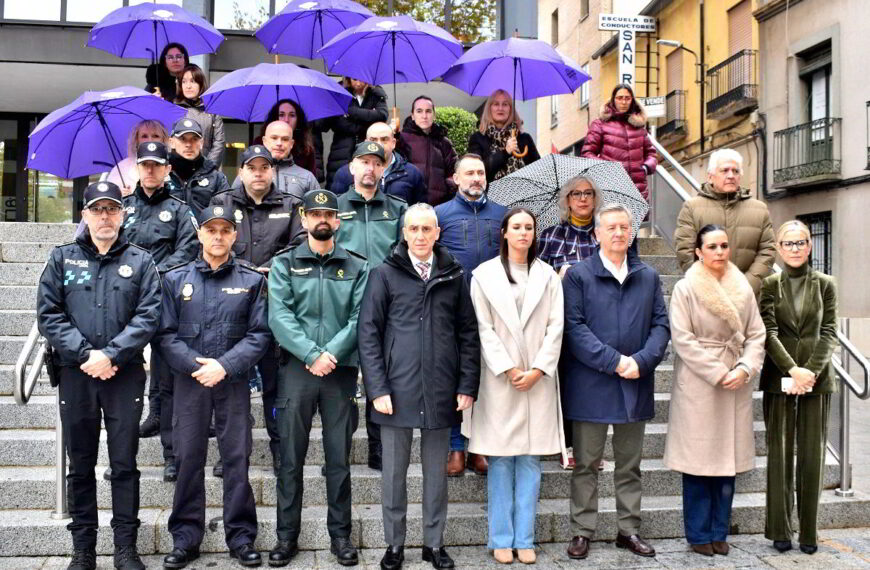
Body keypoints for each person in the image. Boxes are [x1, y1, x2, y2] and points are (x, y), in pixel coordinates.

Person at [37, 181, 161, 570]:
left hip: (124, 373)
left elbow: (149, 315)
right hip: (76, 374)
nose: (105, 216)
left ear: (123, 215)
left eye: (112, 209)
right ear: (85, 215)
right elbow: (49, 314)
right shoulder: (62, 259)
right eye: (97, 209)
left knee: (124, 462)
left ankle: (125, 548)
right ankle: (83, 549)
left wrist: (111, 354)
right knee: (80, 463)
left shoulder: (141, 261)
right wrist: (85, 354)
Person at [358, 203, 480, 570]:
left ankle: (434, 544)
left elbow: (468, 334)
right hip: (396, 390)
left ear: (438, 233)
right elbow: (369, 334)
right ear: (404, 233)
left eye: (427, 229)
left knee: (436, 477)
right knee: (394, 475)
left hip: (442, 388)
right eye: (414, 229)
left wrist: (467, 384)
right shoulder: (384, 275)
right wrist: (377, 388)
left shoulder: (454, 275)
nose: (421, 235)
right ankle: (394, 544)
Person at [158, 206, 270, 570]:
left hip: (233, 381)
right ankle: (185, 538)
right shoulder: (175, 279)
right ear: (200, 234)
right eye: (211, 230)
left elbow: (260, 334)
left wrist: (224, 365)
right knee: (188, 458)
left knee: (236, 459)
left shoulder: (252, 280)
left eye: (225, 230)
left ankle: (241, 537)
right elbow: (164, 334)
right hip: (190, 383)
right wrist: (197, 366)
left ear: (234, 235)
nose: (218, 236)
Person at [561, 203, 670, 560]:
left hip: (634, 382)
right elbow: (574, 328)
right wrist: (614, 361)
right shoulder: (579, 275)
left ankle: (629, 529)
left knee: (629, 465)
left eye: (624, 227)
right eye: (611, 227)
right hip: (591, 384)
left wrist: (641, 361)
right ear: (596, 234)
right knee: (586, 464)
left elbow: (661, 325)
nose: (619, 233)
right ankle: (582, 530)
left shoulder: (648, 276)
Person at [267, 190, 369, 567]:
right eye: (315, 214)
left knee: (339, 458)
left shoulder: (357, 266)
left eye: (328, 214)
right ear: (304, 219)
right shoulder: (285, 264)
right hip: (297, 369)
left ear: (337, 221)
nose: (322, 219)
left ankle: (340, 536)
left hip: (340, 371)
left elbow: (360, 317)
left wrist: (331, 354)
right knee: (290, 459)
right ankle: (286, 538)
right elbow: (279, 316)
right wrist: (312, 354)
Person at [466, 208, 565, 565]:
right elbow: (482, 328)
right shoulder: (484, 275)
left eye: (529, 227)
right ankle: (500, 538)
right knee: (501, 461)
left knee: (530, 462)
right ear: (504, 233)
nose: (523, 233)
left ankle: (525, 538)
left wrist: (538, 369)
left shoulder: (548, 276)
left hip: (538, 379)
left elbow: (556, 327)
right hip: (499, 380)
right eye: (517, 227)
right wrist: (508, 368)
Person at [665, 224, 766, 557]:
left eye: (724, 245)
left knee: (727, 461)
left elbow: (757, 333)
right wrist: (718, 372)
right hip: (700, 381)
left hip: (736, 378)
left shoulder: (742, 286)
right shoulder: (685, 288)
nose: (720, 252)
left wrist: (745, 367)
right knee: (698, 462)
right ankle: (698, 533)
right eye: (712, 246)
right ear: (698, 252)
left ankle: (719, 531)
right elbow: (682, 339)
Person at [210, 144, 305, 473]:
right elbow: (213, 242)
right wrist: (248, 270)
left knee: (275, 386)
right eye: (252, 168)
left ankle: (280, 450)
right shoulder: (222, 203)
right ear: (241, 172)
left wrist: (274, 266)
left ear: (273, 171)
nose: (259, 173)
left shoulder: (291, 205)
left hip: (275, 304)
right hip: (232, 304)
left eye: (265, 167)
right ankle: (231, 453)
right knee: (232, 385)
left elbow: (299, 244)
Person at [760, 220, 838, 556]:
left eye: (800, 242)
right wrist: (792, 369)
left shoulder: (826, 284)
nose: (794, 248)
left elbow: (830, 331)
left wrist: (810, 372)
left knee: (811, 455)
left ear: (809, 246)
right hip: (779, 378)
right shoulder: (769, 284)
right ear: (779, 248)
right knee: (779, 454)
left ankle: (808, 531)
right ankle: (780, 529)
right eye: (788, 243)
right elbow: (768, 331)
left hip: (816, 381)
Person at [124, 141, 199, 483]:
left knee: (168, 381)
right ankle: (123, 457)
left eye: (157, 164)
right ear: (138, 168)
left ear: (168, 169)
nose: (151, 170)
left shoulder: (180, 209)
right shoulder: (123, 207)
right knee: (124, 381)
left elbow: (188, 249)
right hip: (126, 299)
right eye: (146, 164)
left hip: (167, 298)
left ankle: (171, 455)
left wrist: (154, 273)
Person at [335, 141, 408, 471]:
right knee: (343, 381)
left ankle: (378, 449)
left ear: (383, 169)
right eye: (364, 162)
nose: (370, 168)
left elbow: (402, 252)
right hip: (344, 303)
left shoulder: (397, 208)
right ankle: (340, 450)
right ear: (352, 167)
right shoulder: (335, 207)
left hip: (385, 304)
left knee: (381, 375)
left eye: (376, 163)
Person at [434, 153, 506, 476]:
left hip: (494, 307)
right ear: (456, 178)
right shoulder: (440, 214)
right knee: (454, 379)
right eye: (470, 173)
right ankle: (455, 447)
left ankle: (480, 447)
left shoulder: (502, 215)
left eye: (480, 173)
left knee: (488, 381)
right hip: (453, 308)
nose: (476, 178)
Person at [537, 175, 599, 471]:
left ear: (595, 199)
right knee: (565, 382)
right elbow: (535, 277)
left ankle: (591, 447)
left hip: (597, 321)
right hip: (560, 320)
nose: (583, 198)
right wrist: (556, 277)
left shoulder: (603, 234)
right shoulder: (551, 235)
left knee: (593, 384)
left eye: (588, 193)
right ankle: (566, 444)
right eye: (576, 193)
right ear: (567, 200)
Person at [674, 148, 775, 295]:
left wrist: (746, 286)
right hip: (706, 297)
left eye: (735, 171)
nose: (731, 175)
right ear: (710, 177)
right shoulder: (691, 208)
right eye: (725, 170)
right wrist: (708, 286)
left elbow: (767, 251)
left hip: (747, 298)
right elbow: (685, 251)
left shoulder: (760, 209)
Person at [581, 84, 658, 203]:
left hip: (638, 191)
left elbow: (651, 154)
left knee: (637, 216)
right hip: (610, 189)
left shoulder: (639, 127)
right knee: (612, 215)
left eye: (627, 98)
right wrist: (606, 167)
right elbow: (587, 153)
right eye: (620, 98)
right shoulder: (600, 124)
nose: (624, 102)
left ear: (632, 100)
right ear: (613, 100)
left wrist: (646, 167)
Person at [331, 122, 425, 205]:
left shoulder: (412, 173)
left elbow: (421, 212)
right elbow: (336, 210)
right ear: (366, 142)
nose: (379, 145)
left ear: (393, 143)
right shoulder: (345, 173)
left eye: (384, 139)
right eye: (373, 140)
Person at [318, 77, 389, 188]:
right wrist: (367, 119)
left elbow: (381, 115)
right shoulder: (338, 93)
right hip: (341, 153)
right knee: (338, 189)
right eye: (355, 79)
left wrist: (348, 110)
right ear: (348, 79)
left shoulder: (376, 93)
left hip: (367, 150)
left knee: (368, 187)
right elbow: (326, 125)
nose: (358, 83)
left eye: (362, 79)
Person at [233, 121, 319, 200]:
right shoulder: (246, 174)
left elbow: (319, 210)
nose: (279, 143)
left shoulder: (307, 178)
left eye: (285, 139)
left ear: (291, 144)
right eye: (274, 138)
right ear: (264, 141)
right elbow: (232, 206)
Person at [468, 89, 540, 182]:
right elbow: (477, 171)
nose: (500, 108)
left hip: (523, 189)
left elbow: (539, 170)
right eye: (496, 104)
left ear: (510, 109)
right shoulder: (478, 138)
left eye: (505, 104)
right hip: (491, 191)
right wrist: (505, 152)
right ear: (489, 109)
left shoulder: (525, 139)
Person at [398, 95, 458, 205]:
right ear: (412, 116)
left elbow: (455, 171)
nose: (424, 116)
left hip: (439, 206)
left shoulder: (444, 142)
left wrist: (447, 187)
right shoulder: (402, 139)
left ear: (434, 115)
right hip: (409, 204)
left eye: (428, 111)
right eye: (419, 111)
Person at [165, 118, 230, 218]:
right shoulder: (161, 173)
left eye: (194, 139)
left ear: (201, 143)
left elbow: (226, 216)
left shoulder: (216, 178)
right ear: (171, 142)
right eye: (183, 139)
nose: (188, 144)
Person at [176, 63, 226, 167]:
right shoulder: (175, 109)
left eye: (193, 81)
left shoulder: (212, 111)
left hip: (206, 166)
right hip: (179, 167)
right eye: (184, 82)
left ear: (201, 84)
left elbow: (219, 142)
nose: (188, 86)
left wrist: (208, 168)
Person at [256, 99, 318, 177]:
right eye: (281, 115)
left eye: (292, 115)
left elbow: (312, 179)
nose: (286, 120)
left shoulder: (306, 149)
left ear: (298, 120)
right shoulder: (259, 143)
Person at [106, 120, 170, 196]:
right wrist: (123, 197)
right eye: (144, 136)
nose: (150, 140)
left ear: (163, 139)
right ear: (136, 140)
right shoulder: (121, 168)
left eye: (155, 136)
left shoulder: (173, 164)